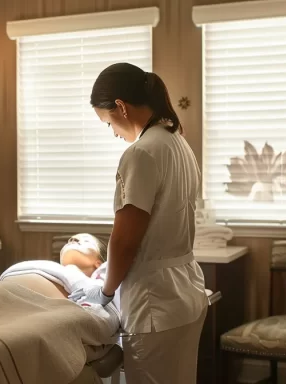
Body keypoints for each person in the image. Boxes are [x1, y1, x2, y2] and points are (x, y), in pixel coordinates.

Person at [70, 62, 208, 383]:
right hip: (185, 293)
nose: (115, 133)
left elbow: (124, 242)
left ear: (121, 107)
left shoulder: (141, 153)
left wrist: (104, 293)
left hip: (155, 304)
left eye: (109, 123)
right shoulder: (178, 143)